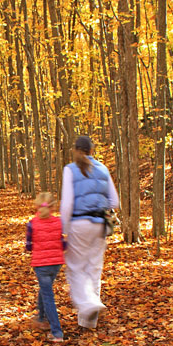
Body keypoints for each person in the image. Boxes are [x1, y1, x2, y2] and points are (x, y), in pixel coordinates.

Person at [59, 135, 119, 331]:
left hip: (79, 222)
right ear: (92, 150)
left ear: (76, 150)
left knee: (76, 269)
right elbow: (114, 201)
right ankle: (88, 322)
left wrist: (64, 229)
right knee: (94, 268)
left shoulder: (70, 170)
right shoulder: (103, 168)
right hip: (100, 224)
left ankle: (88, 305)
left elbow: (67, 203)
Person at [26, 193, 66, 343]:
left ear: (36, 206)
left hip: (41, 264)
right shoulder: (59, 222)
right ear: (53, 207)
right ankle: (41, 317)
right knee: (45, 290)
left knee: (48, 295)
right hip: (56, 263)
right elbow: (63, 243)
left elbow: (29, 245)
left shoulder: (32, 224)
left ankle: (57, 332)